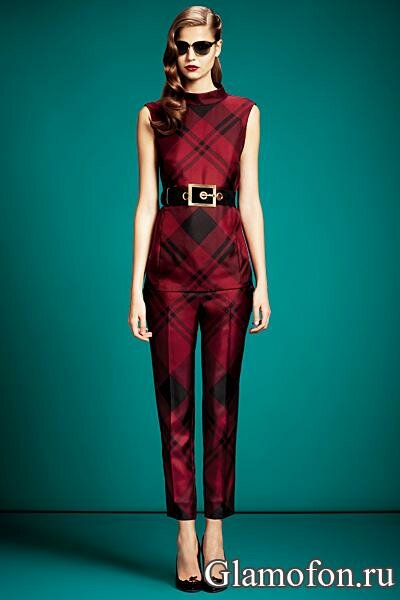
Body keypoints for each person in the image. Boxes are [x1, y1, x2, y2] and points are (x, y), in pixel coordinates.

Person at [128, 5, 271, 592]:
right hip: (167, 275)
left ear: (218, 48)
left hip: (229, 274)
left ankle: (216, 532)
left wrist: (264, 281)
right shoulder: (153, 115)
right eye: (182, 47)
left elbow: (251, 199)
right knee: (174, 409)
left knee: (221, 407)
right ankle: (185, 534)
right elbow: (145, 203)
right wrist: (134, 289)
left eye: (201, 46)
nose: (191, 57)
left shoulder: (245, 114)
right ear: (175, 51)